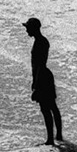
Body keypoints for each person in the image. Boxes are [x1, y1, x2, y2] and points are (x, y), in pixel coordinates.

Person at [22, 17, 63, 145]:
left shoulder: (40, 42)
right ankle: (58, 135)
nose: (26, 31)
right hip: (45, 76)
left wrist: (36, 85)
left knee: (46, 109)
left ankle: (50, 139)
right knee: (53, 107)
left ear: (34, 28)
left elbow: (39, 65)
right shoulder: (42, 41)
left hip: (42, 77)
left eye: (28, 28)